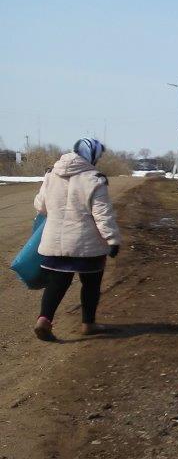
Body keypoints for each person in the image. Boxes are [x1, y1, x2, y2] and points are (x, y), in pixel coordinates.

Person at [32, 138, 122, 341]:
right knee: (91, 283)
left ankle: (44, 320)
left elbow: (40, 206)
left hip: (55, 242)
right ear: (93, 155)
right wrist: (113, 239)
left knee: (57, 282)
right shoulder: (94, 178)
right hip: (86, 244)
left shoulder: (51, 174)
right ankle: (88, 324)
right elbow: (102, 214)